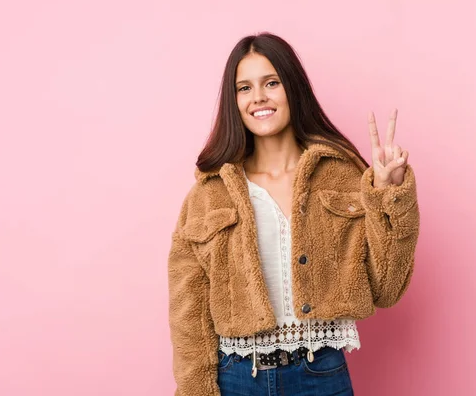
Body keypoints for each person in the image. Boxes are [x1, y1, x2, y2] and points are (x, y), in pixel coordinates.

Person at [167, 32, 420, 396]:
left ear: (293, 88)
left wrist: (389, 195)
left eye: (272, 82)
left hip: (322, 375)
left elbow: (387, 288)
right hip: (236, 379)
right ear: (233, 100)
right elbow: (188, 316)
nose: (258, 98)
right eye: (244, 88)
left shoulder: (343, 175)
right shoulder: (209, 194)